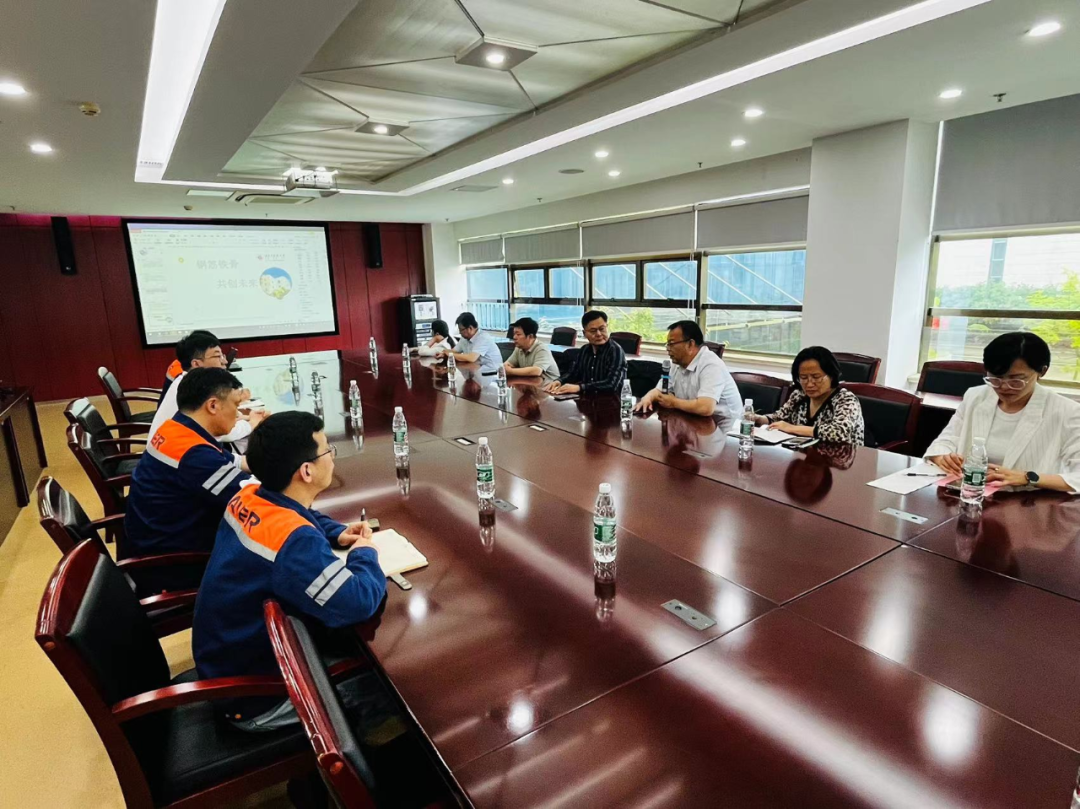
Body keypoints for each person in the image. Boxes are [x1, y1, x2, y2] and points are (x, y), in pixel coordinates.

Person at [192, 411, 386, 730]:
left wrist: (336, 532)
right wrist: (364, 553)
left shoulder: (249, 495)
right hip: (256, 697)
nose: (332, 457)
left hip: (225, 660)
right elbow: (357, 602)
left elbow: (296, 514)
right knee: (386, 688)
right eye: (327, 450)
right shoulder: (295, 543)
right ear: (306, 471)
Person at [926, 332, 1080, 492]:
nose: (1004, 387)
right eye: (995, 378)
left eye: (1016, 380)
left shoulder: (1068, 412)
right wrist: (943, 457)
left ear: (1042, 371)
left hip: (1028, 501)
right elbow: (946, 441)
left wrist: (1027, 477)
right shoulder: (975, 396)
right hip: (970, 495)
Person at [124, 367, 251, 562]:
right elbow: (252, 496)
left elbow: (232, 462)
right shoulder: (194, 455)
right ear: (213, 405)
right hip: (174, 559)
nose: (238, 413)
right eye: (236, 404)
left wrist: (279, 461)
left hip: (155, 535)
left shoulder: (176, 428)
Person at [150, 330, 268, 447]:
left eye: (222, 355)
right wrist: (252, 423)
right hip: (178, 450)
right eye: (217, 356)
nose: (225, 361)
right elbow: (223, 432)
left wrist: (245, 417)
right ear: (196, 364)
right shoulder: (194, 390)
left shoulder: (189, 381)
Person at [755, 346, 864, 445]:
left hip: (842, 459)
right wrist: (758, 419)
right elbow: (778, 418)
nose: (809, 384)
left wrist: (792, 428)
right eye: (803, 378)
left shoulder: (846, 399)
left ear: (831, 375)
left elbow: (839, 432)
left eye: (816, 377)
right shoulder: (799, 395)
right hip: (804, 456)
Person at [635, 320, 741, 417]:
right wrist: (647, 398)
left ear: (690, 344)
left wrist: (673, 402)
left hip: (725, 425)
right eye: (667, 344)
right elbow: (659, 391)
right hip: (695, 419)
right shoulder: (677, 363)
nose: (668, 348)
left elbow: (705, 408)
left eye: (671, 344)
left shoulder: (711, 364)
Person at [543, 310, 627, 395]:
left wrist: (579, 387)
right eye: (593, 331)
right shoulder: (584, 350)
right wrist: (559, 381)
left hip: (610, 400)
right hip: (587, 398)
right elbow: (573, 373)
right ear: (584, 333)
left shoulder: (615, 350)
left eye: (602, 329)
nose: (599, 334)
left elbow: (611, 384)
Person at [504, 317, 559, 383]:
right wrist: (505, 368)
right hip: (531, 384)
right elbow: (507, 365)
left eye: (518, 334)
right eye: (514, 334)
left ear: (530, 336)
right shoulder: (519, 348)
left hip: (550, 385)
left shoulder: (541, 349)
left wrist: (511, 371)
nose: (514, 337)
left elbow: (536, 371)